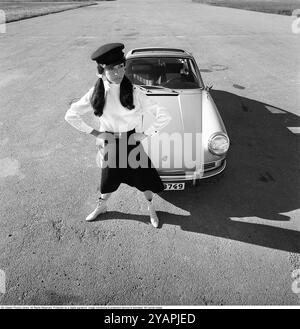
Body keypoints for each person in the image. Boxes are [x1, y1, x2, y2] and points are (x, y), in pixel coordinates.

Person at [64, 43, 172, 228]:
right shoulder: (96, 93)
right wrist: (96, 133)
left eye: (121, 66)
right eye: (111, 69)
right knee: (107, 180)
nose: (117, 72)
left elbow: (165, 115)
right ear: (102, 70)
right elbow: (71, 115)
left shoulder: (135, 92)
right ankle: (102, 206)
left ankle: (150, 207)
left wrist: (145, 134)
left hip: (131, 142)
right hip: (111, 144)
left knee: (143, 179)